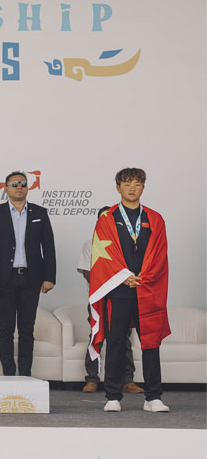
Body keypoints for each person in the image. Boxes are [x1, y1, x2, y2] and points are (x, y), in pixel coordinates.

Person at [89, 168, 170, 412]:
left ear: (143, 187)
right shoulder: (107, 218)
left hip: (147, 287)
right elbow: (103, 254)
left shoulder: (155, 218)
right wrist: (124, 276)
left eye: (137, 183)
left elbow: (160, 254)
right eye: (127, 184)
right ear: (118, 188)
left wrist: (145, 277)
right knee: (116, 341)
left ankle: (153, 397)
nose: (132, 188)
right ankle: (113, 396)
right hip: (119, 288)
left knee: (151, 342)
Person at [0, 171, 56, 377]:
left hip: (32, 279)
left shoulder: (40, 213)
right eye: (14, 184)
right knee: (5, 328)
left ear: (28, 187)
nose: (19, 187)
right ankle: (8, 374)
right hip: (4, 280)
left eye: (23, 184)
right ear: (6, 189)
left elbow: (48, 247)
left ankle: (24, 374)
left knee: (27, 329)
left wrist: (49, 277)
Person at [78, 206, 142, 394]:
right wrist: (112, 280)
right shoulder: (90, 244)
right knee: (96, 336)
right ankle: (92, 379)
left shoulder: (128, 245)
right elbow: (89, 274)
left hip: (123, 298)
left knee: (124, 339)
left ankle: (127, 380)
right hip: (100, 298)